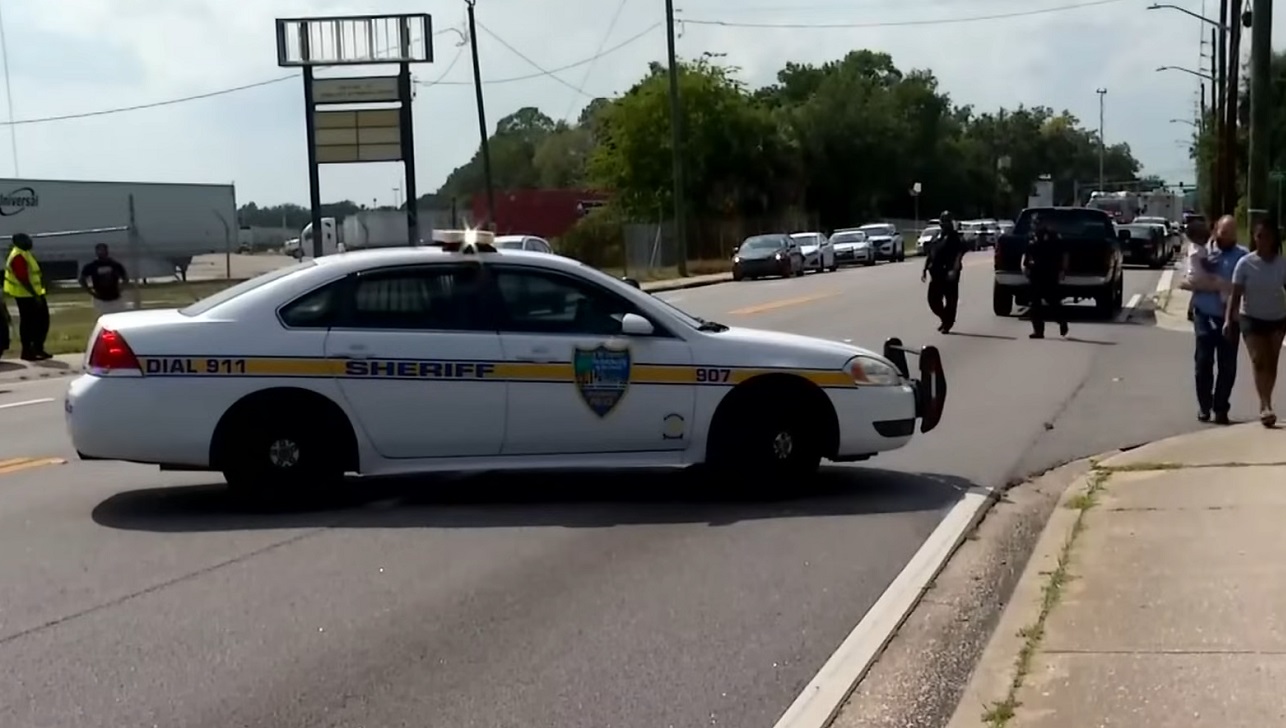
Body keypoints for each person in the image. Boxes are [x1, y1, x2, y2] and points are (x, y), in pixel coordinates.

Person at [1181, 214, 1245, 424]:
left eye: (1231, 233)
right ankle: (1204, 406)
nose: (1226, 237)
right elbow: (1187, 280)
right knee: (1203, 362)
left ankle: (1221, 407)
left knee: (1227, 365)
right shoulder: (1201, 251)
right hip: (1205, 314)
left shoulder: (1242, 256)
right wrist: (1215, 284)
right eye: (1223, 232)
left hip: (1231, 317)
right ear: (1216, 229)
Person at [1225, 219, 1286, 427]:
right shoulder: (1245, 263)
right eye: (1259, 236)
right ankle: (1265, 405)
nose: (1262, 241)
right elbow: (1235, 294)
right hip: (1251, 317)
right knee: (1258, 360)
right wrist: (1228, 319)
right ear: (1254, 238)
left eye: (1267, 237)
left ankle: (1268, 399)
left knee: (1272, 361)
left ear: (1273, 239)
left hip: (1277, 318)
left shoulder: (1281, 263)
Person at [3, 232, 50, 361]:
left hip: (34, 293)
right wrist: (35, 295)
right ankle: (28, 351)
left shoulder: (25, 253)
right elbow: (22, 277)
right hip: (26, 296)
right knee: (29, 324)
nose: (29, 242)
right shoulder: (18, 255)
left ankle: (38, 348)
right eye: (25, 240)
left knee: (41, 322)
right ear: (17, 242)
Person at [1021, 213, 1069, 339]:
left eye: (1037, 222)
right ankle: (1038, 331)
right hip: (1035, 272)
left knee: (1053, 301)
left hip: (1050, 272)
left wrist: (1062, 270)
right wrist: (1025, 266)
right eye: (1034, 222)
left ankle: (1062, 322)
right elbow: (1027, 253)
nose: (1035, 225)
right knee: (1034, 303)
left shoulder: (1053, 236)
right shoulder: (1032, 237)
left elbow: (1064, 254)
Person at [921, 210, 965, 333]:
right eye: (942, 221)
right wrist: (925, 269)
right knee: (933, 300)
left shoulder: (954, 237)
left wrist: (954, 270)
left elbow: (959, 254)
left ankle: (947, 324)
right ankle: (945, 318)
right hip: (936, 274)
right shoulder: (938, 236)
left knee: (951, 301)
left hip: (949, 274)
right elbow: (932, 253)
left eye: (946, 221)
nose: (944, 224)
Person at [79, 243, 129, 316]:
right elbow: (82, 280)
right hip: (100, 298)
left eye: (103, 250)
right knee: (102, 319)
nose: (101, 252)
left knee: (118, 318)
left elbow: (125, 278)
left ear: (107, 251)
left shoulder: (115, 265)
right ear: (96, 252)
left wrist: (120, 289)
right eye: (99, 250)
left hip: (115, 298)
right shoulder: (91, 266)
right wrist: (91, 292)